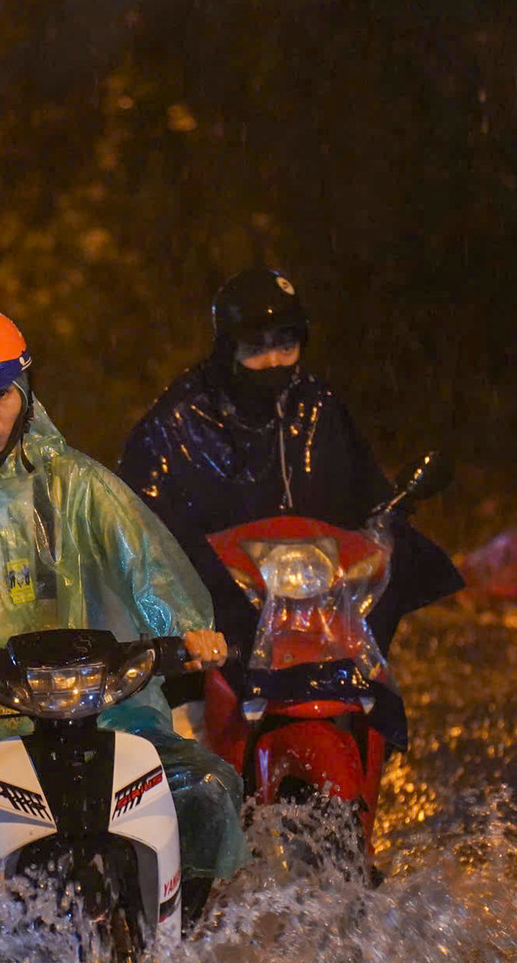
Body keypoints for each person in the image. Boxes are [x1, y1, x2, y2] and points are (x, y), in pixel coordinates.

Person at [0, 305, 249, 907]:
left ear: (25, 389)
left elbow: (146, 562)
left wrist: (188, 629)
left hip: (102, 715)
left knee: (208, 787)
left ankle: (186, 929)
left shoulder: (80, 486)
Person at [116, 266, 464, 742]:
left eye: (286, 344)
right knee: (184, 756)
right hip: (220, 632)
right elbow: (139, 517)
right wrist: (197, 595)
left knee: (372, 712)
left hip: (317, 625)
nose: (275, 361)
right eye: (256, 348)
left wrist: (389, 517)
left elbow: (365, 493)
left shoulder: (318, 405)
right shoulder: (179, 420)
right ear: (227, 349)